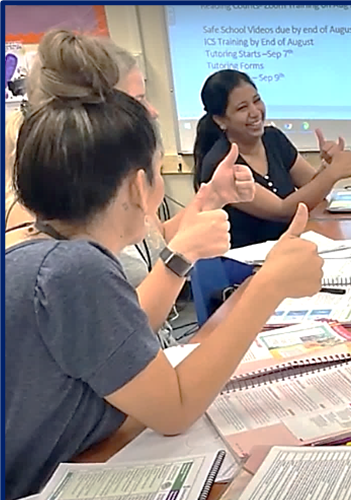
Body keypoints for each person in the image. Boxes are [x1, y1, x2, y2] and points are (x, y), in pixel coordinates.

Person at [5, 79, 324, 500]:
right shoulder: (74, 269)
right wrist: (268, 287)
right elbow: (174, 409)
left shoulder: (45, 253)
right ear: (141, 187)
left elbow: (124, 331)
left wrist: (205, 211)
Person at [4, 30, 253, 346]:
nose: (153, 111)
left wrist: (213, 196)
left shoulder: (110, 180)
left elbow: (155, 239)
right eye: (138, 101)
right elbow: (113, 335)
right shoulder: (48, 211)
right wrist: (182, 257)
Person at [194, 69, 351, 248]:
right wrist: (332, 174)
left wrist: (327, 166)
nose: (255, 112)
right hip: (247, 265)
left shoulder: (273, 138)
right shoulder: (220, 164)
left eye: (257, 101)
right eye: (242, 108)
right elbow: (282, 211)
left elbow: (311, 188)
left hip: (287, 248)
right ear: (221, 120)